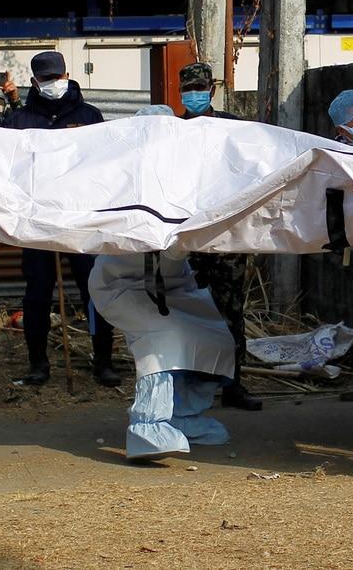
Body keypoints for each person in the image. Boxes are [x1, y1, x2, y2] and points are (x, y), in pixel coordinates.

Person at [87, 104, 235, 459]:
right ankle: (147, 427)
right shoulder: (120, 179)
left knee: (216, 336)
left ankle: (184, 415)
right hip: (121, 283)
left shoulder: (188, 178)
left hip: (171, 284)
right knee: (164, 338)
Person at [1, 51, 120, 387]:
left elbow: (105, 165)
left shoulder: (89, 115)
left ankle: (104, 361)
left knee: (94, 290)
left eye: (57, 76)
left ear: (67, 74)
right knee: (37, 294)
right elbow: (8, 168)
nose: (53, 84)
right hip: (37, 222)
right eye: (46, 79)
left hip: (80, 220)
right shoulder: (20, 121)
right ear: (34, 82)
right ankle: (38, 364)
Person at [176, 60, 261, 411]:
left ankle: (233, 384)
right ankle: (193, 387)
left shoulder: (233, 128)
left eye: (200, 88)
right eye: (188, 90)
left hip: (227, 235)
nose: (194, 95)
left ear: (211, 90)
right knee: (188, 311)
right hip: (189, 235)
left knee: (231, 310)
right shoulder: (172, 132)